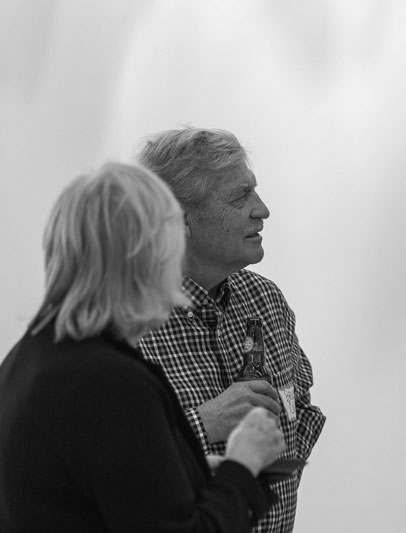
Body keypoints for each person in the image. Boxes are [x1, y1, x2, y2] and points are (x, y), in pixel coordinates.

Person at [0, 162, 286, 532]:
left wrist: (186, 473)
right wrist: (242, 465)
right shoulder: (110, 382)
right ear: (148, 256)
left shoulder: (27, 359)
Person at [134, 127, 326, 533]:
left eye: (254, 191)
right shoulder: (128, 324)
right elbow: (106, 468)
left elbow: (301, 403)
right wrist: (203, 425)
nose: (262, 209)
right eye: (241, 196)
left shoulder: (266, 301)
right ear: (182, 220)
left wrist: (281, 468)